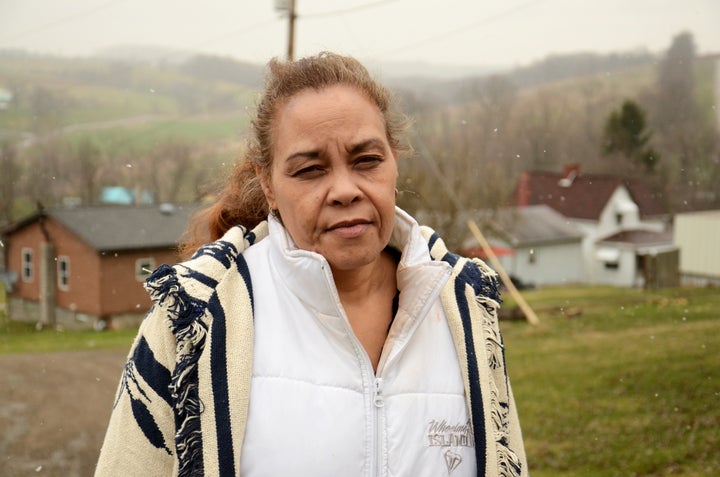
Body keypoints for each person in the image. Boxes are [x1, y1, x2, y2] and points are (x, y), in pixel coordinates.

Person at [96, 51, 527, 477]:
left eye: (367, 161)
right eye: (309, 170)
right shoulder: (195, 318)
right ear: (268, 186)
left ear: (395, 161)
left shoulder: (465, 309)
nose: (344, 190)